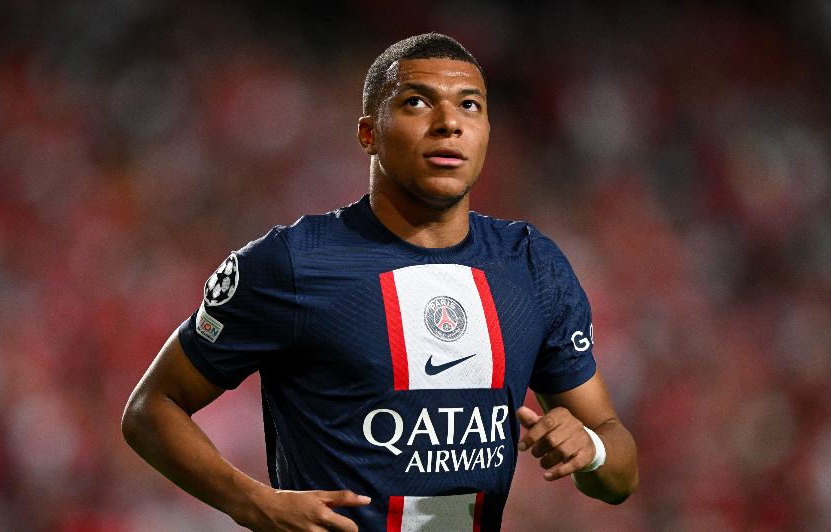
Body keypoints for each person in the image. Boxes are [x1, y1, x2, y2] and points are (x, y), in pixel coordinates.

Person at [122, 33, 637, 531]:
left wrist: (592, 449)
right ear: (368, 133)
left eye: (469, 105)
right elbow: (151, 408)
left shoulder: (531, 265)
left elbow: (619, 472)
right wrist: (254, 503)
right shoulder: (292, 263)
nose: (448, 124)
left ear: (486, 132)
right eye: (417, 102)